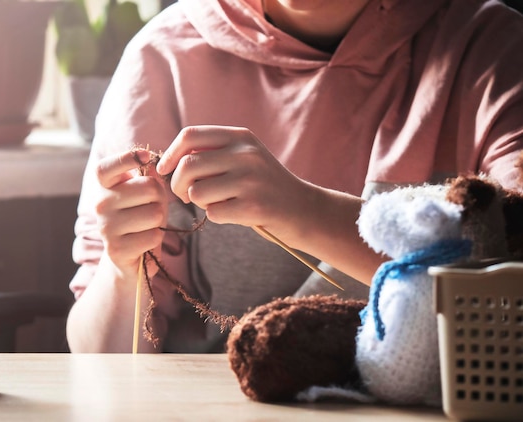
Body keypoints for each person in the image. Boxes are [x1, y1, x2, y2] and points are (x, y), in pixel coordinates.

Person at [66, 0, 523, 353]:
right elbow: (99, 354)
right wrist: (122, 271)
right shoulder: (164, 57)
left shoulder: (492, 49)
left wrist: (305, 211)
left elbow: (510, 296)